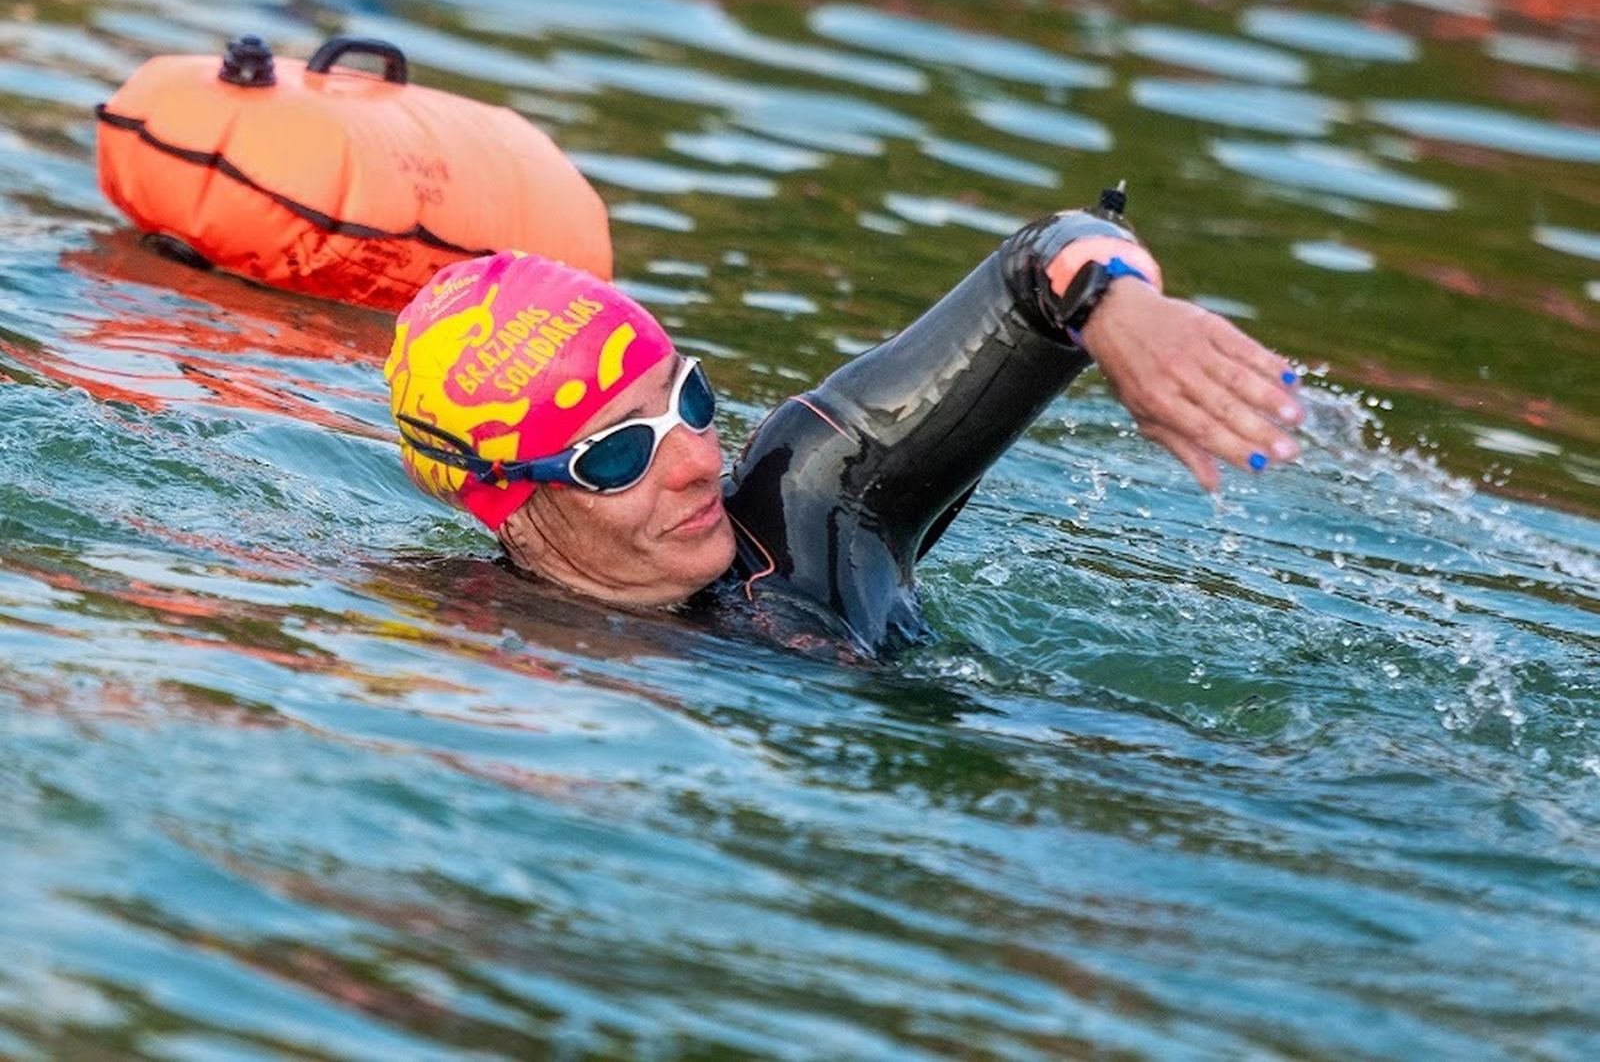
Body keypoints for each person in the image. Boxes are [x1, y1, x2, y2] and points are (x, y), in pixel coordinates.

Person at [384, 188, 1305, 656]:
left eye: (688, 399)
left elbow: (1038, 271)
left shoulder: (812, 503)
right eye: (619, 453)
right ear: (507, 505)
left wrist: (1116, 307)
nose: (697, 461)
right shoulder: (456, 633)